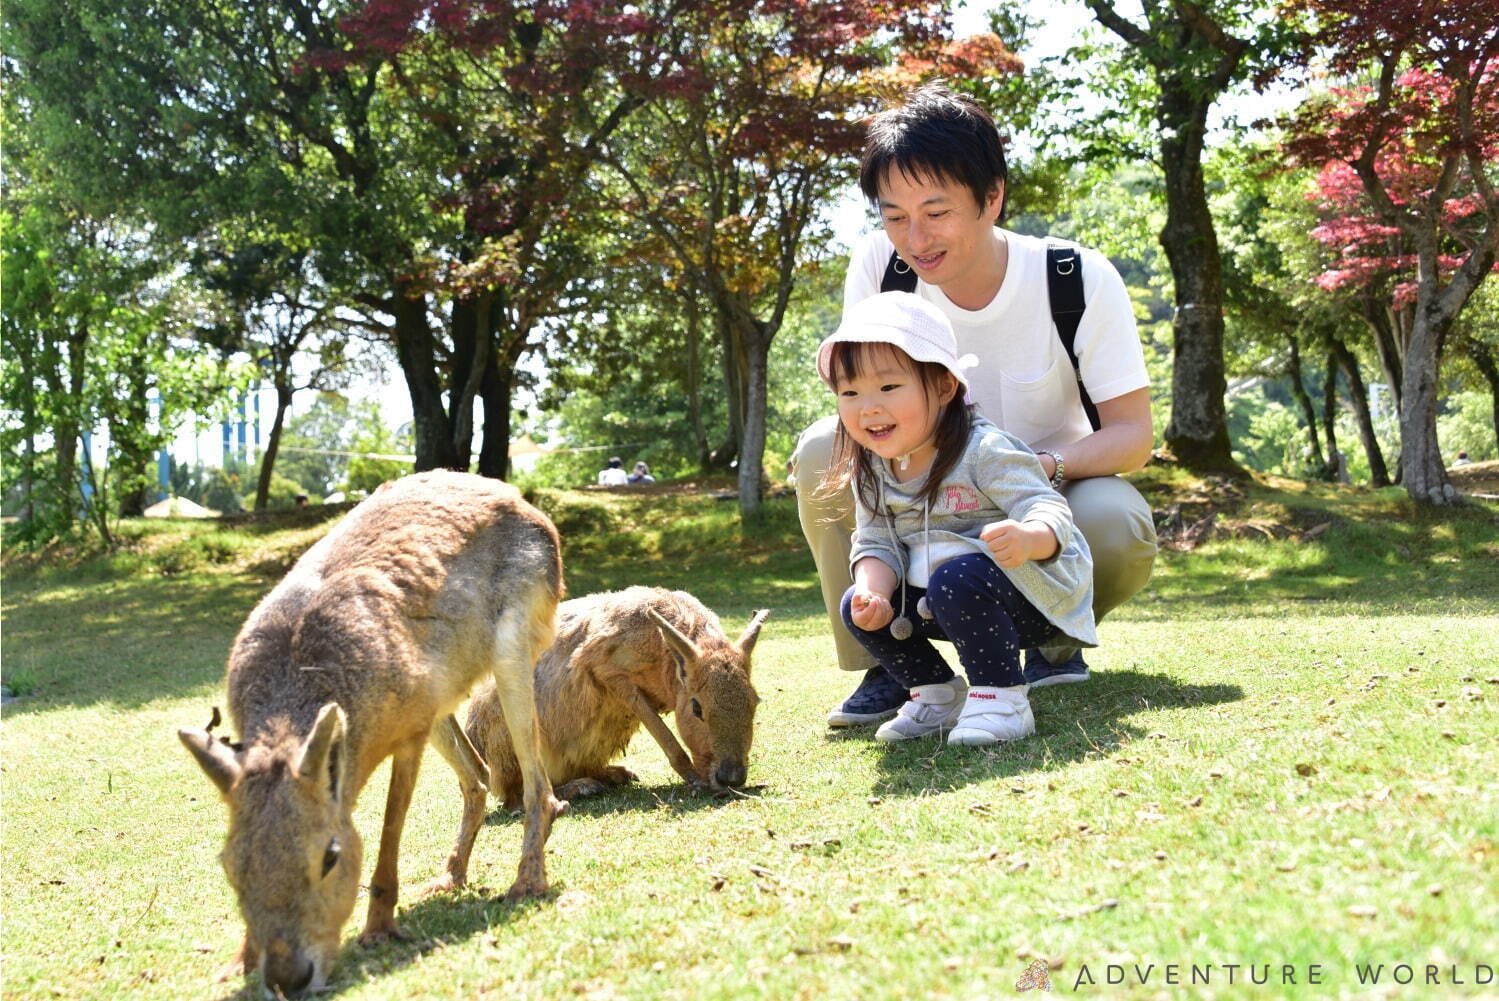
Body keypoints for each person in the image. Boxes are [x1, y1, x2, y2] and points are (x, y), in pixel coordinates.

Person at [793, 81, 1156, 729]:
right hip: (921, 499)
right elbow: (865, 402)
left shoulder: (1074, 279)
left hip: (1038, 490)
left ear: (992, 197)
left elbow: (1132, 436)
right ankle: (890, 662)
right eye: (893, 214)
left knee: (1115, 517)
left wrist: (1034, 468)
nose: (914, 236)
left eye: (935, 211)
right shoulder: (880, 265)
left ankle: (1047, 636)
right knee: (824, 446)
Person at [819, 292, 1095, 745]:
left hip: (1033, 598)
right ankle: (936, 694)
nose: (868, 406)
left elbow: (1046, 507)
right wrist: (874, 591)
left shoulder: (984, 450)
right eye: (849, 392)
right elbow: (875, 542)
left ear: (945, 387)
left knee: (959, 577)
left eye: (888, 387)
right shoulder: (871, 467)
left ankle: (1002, 699)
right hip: (945, 599)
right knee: (856, 601)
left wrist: (1030, 537)